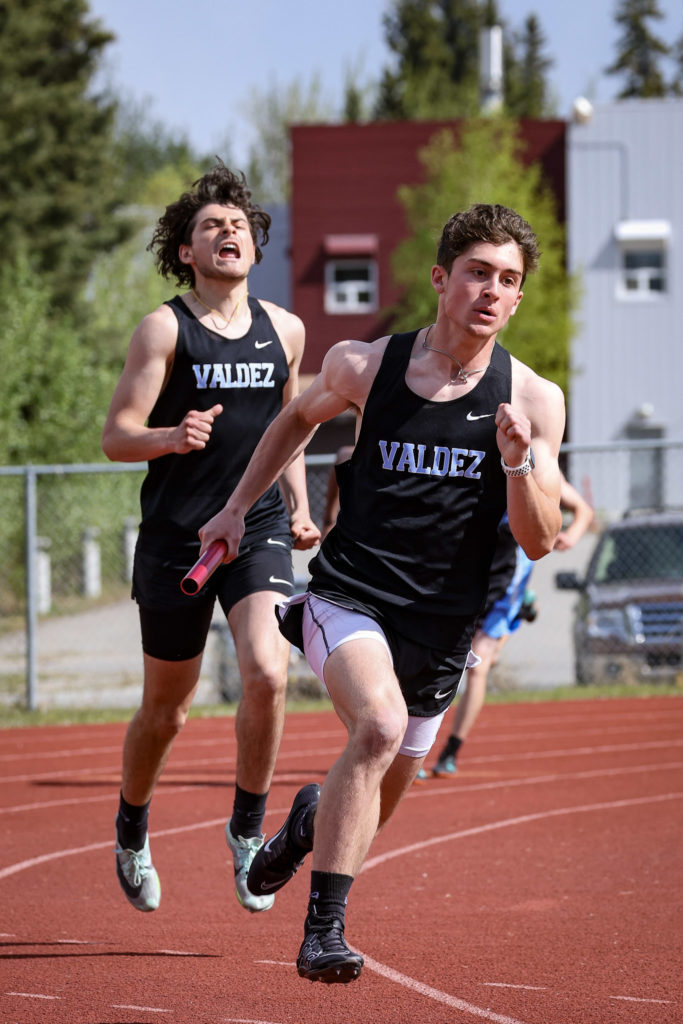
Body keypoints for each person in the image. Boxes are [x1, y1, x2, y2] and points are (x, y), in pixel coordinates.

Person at [199, 203, 566, 983]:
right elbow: (295, 419)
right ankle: (322, 935)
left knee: (375, 796)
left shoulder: (533, 400)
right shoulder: (364, 366)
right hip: (351, 597)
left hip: (443, 627)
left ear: (518, 297)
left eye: (507, 280)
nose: (490, 291)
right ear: (441, 279)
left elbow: (537, 539)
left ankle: (304, 826)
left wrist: (516, 463)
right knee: (376, 727)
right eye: (476, 273)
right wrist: (236, 508)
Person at [101, 162, 320, 917]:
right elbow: (114, 437)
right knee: (168, 710)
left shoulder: (285, 329)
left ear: (255, 245)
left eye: (238, 225)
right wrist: (170, 434)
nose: (228, 233)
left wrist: (296, 505)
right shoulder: (164, 327)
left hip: (255, 525)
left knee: (267, 670)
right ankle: (131, 829)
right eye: (210, 227)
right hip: (176, 538)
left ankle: (247, 831)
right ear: (186, 252)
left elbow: (287, 432)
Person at [427, 474, 594, 778]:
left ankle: (450, 750)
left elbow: (583, 510)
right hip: (462, 579)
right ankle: (415, 750)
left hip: (506, 587)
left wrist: (571, 534)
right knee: (436, 662)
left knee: (478, 666)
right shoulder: (475, 454)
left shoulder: (539, 466)